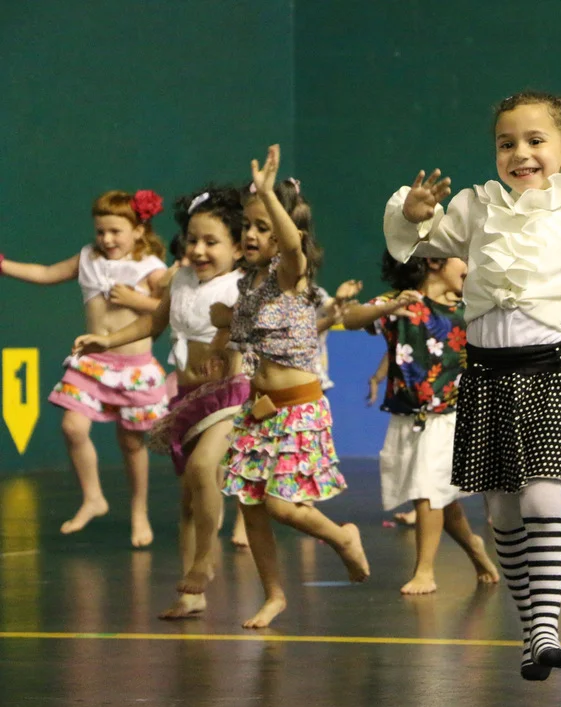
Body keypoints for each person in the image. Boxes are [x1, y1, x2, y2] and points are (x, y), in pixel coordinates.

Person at [383, 91, 561, 680]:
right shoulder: (476, 208)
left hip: (548, 374)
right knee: (503, 510)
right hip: (487, 376)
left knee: (542, 497)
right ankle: (531, 629)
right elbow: (425, 242)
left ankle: (548, 627)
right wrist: (414, 213)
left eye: (536, 141)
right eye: (507, 143)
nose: (520, 153)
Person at [75, 185, 249, 618]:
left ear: (237, 248)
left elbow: (245, 336)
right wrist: (107, 340)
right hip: (187, 399)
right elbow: (154, 322)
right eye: (193, 239)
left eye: (212, 242)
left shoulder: (242, 287)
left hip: (229, 395)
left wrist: (229, 352)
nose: (199, 249)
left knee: (203, 468)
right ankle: (191, 593)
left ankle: (205, 561)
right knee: (188, 498)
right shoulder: (181, 280)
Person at [217, 146, 369, 629]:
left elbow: (292, 247)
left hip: (298, 410)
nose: (251, 234)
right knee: (250, 504)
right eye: (247, 225)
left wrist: (267, 192)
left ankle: (342, 537)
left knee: (282, 506)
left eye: (263, 227)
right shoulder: (248, 284)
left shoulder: (290, 276)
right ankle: (274, 594)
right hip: (259, 410)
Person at [2, 189, 168, 546]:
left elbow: (171, 307)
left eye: (115, 231)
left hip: (133, 369)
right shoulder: (87, 258)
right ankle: (93, 498)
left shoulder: (151, 267)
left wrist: (135, 299)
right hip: (92, 363)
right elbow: (46, 273)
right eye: (100, 231)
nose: (106, 239)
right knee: (72, 426)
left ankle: (139, 511)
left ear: (138, 230)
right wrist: (4, 265)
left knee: (131, 443)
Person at [342, 251, 499, 595]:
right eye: (461, 258)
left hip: (449, 417)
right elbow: (351, 318)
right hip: (408, 416)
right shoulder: (399, 303)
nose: (468, 267)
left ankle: (424, 571)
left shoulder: (468, 308)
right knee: (440, 498)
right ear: (434, 262)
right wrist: (387, 308)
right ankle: (474, 547)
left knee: (426, 490)